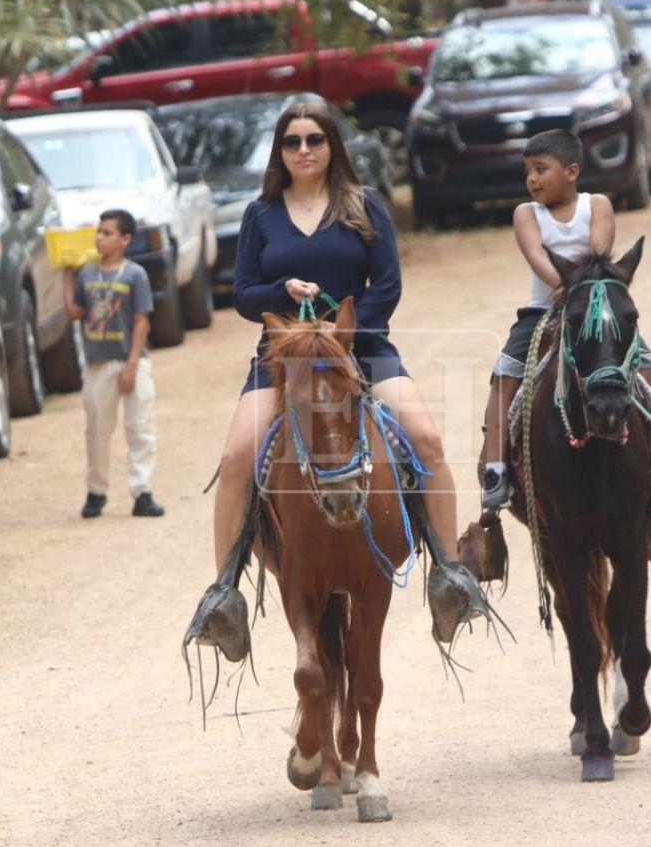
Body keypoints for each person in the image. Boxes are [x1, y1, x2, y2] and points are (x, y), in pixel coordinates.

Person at [201, 101, 485, 643]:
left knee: (426, 439)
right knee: (236, 455)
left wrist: (343, 337)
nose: (304, 150)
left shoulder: (364, 204)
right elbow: (241, 295)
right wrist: (280, 292)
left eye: (314, 140)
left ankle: (449, 574)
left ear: (332, 145)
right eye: (292, 142)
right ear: (280, 152)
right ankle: (223, 595)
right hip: (284, 357)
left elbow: (387, 285)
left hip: (363, 348)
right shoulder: (261, 214)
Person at [479, 129, 651, 509]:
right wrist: (563, 286)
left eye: (541, 169)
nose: (531, 179)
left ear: (572, 171)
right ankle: (496, 467)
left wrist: (581, 289)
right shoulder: (525, 214)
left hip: (595, 304)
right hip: (544, 310)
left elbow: (600, 253)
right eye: (527, 171)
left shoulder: (597, 205)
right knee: (505, 376)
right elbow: (536, 255)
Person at [64, 209, 164, 519]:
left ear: (125, 239)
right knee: (97, 429)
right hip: (98, 363)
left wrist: (132, 365)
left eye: (107, 233)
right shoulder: (87, 274)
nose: (100, 238)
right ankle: (96, 491)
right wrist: (67, 275)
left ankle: (142, 490)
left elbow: (141, 321)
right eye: (99, 231)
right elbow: (74, 313)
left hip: (129, 359)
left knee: (139, 426)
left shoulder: (135, 275)